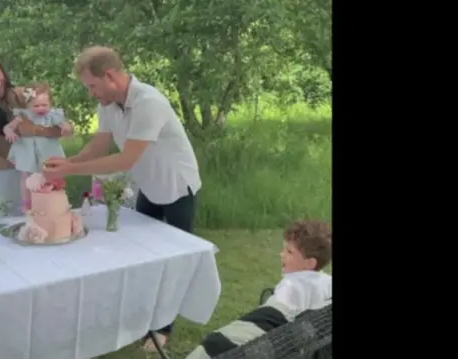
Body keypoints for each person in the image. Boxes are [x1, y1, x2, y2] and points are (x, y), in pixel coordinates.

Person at [42, 45, 202, 351]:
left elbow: (125, 159)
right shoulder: (109, 104)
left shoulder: (149, 102)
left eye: (92, 86)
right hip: (150, 188)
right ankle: (142, 319)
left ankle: (163, 328)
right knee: (143, 256)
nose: (91, 94)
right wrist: (69, 162)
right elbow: (100, 144)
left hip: (178, 188)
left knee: (176, 259)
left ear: (110, 75)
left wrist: (73, 170)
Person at [185, 219, 332, 359]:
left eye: (289, 252)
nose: (281, 254)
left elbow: (264, 323)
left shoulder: (290, 290)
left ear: (310, 263)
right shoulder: (326, 283)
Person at [0, 49, 71, 216]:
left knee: (43, 213)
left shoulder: (23, 95)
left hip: (34, 168)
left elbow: (55, 123)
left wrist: (36, 130)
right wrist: (16, 161)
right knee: (9, 220)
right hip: (2, 177)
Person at [3, 83, 73, 213]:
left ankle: (53, 200)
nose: (41, 108)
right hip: (27, 150)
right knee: (25, 175)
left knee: (51, 173)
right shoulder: (23, 115)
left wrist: (66, 128)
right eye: (36, 106)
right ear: (28, 105)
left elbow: (65, 125)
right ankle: (27, 202)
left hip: (47, 150)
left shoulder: (53, 115)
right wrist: (9, 132)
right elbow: (8, 127)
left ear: (50, 104)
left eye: (44, 105)